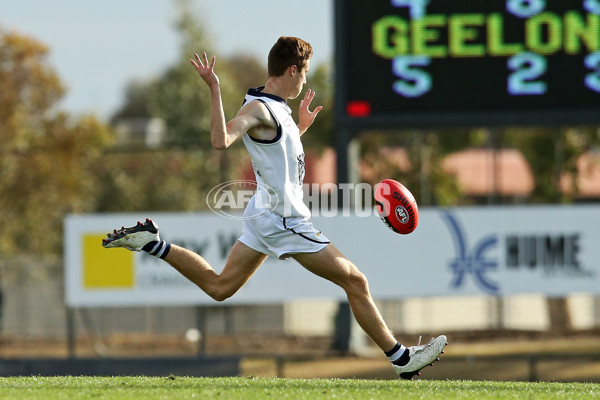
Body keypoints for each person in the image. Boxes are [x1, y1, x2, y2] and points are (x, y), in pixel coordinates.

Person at [102, 36, 446, 379]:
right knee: (356, 281)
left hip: (265, 214)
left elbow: (277, 156)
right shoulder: (258, 108)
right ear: (292, 69)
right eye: (305, 72)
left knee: (219, 287)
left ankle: (151, 242)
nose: (306, 80)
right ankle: (402, 358)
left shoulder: (277, 107)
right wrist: (214, 88)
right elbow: (221, 140)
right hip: (283, 220)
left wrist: (302, 128)